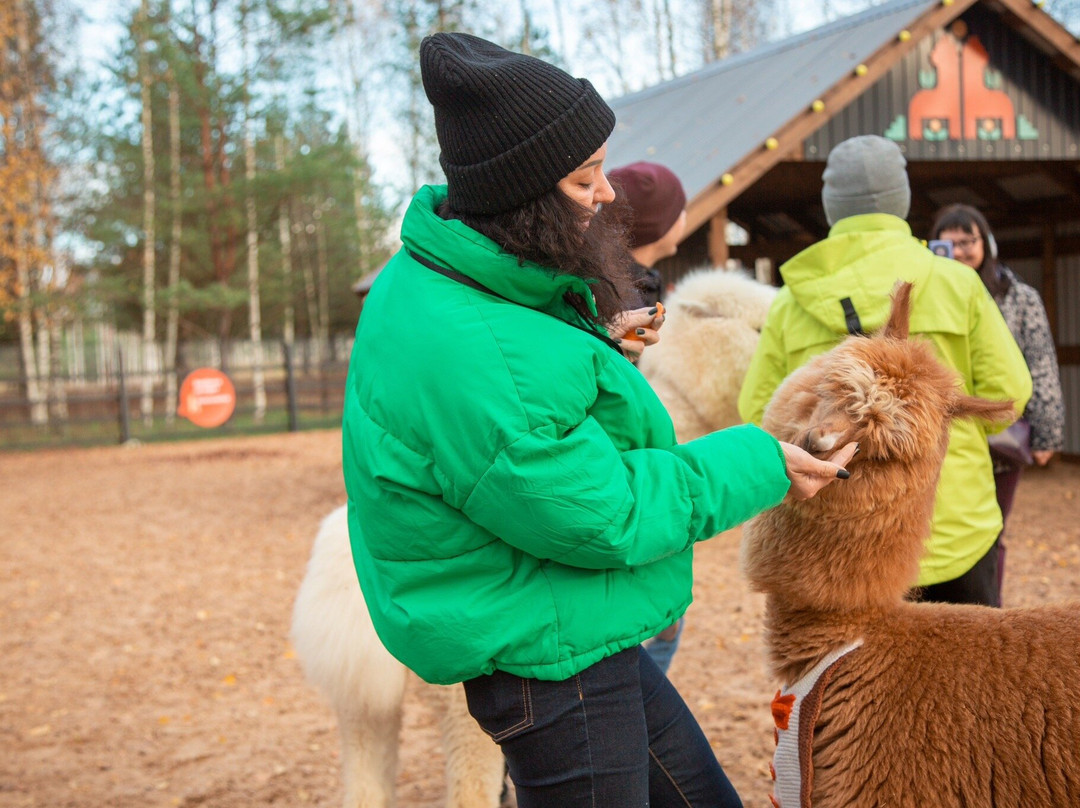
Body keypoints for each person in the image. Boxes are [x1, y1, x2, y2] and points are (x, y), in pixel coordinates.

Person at [342, 32, 855, 808]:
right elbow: (599, 511)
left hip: (572, 625)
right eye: (585, 181)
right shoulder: (477, 346)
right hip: (549, 661)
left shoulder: (459, 281)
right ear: (523, 194)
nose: (608, 195)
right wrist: (762, 461)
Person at [738, 134, 1032, 609]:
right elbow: (1009, 395)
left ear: (833, 207)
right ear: (902, 200)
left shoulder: (791, 301)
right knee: (965, 677)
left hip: (842, 545)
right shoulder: (957, 282)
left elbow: (759, 409)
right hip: (954, 530)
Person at [929, 204, 1065, 546]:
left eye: (967, 241)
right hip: (946, 436)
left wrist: (1046, 434)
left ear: (985, 242)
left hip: (1000, 438)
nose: (959, 252)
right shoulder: (927, 296)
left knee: (992, 533)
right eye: (949, 245)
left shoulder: (1020, 298)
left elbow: (1041, 365)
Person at [608, 161, 687, 308]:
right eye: (680, 209)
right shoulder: (624, 300)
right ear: (659, 223)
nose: (684, 217)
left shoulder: (614, 282)